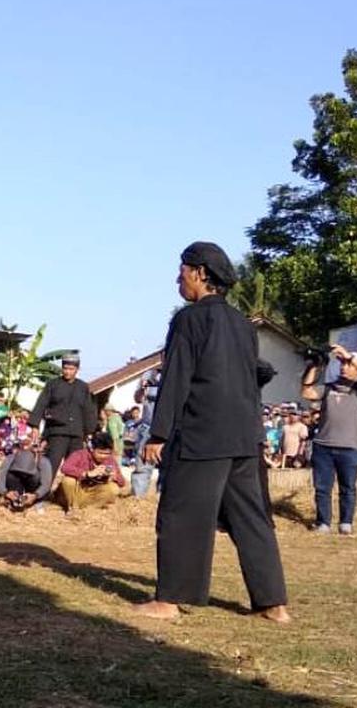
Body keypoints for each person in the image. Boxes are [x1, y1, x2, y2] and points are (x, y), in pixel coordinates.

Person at [136, 241, 290, 623]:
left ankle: (169, 600)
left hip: (202, 435)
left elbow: (176, 378)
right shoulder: (243, 324)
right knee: (252, 519)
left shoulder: (189, 320)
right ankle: (273, 604)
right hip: (245, 436)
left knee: (181, 513)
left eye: (183, 270)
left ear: (201, 273)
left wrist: (159, 434)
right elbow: (256, 374)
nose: (178, 278)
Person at [301, 343, 357, 535]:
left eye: (347, 364)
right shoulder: (329, 388)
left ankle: (346, 522)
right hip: (323, 447)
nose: (343, 366)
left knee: (348, 488)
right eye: (341, 363)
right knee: (322, 488)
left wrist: (349, 356)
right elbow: (307, 392)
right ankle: (323, 523)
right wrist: (313, 367)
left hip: (351, 447)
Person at [28, 353, 97, 486]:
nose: (67, 372)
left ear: (77, 370)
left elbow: (89, 410)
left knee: (75, 468)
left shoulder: (83, 387)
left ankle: (71, 497)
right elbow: (41, 404)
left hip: (76, 434)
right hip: (57, 433)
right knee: (50, 466)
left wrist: (89, 432)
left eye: (71, 369)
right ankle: (41, 495)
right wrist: (35, 425)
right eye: (65, 368)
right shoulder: (52, 385)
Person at [56, 432, 125, 511]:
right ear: (92, 449)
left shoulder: (110, 460)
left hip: (93, 493)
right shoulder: (80, 454)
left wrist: (115, 477)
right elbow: (65, 468)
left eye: (107, 453)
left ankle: (89, 509)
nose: (103, 456)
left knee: (114, 488)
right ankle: (72, 508)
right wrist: (87, 474)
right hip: (76, 492)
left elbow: (122, 483)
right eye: (100, 453)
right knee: (68, 480)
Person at [0, 434, 53, 511]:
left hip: (33, 485)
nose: (25, 447)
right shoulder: (10, 458)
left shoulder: (44, 462)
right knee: (10, 476)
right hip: (16, 483)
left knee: (37, 477)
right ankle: (15, 499)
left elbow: (46, 484)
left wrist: (35, 495)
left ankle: (35, 501)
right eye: (23, 444)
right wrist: (6, 493)